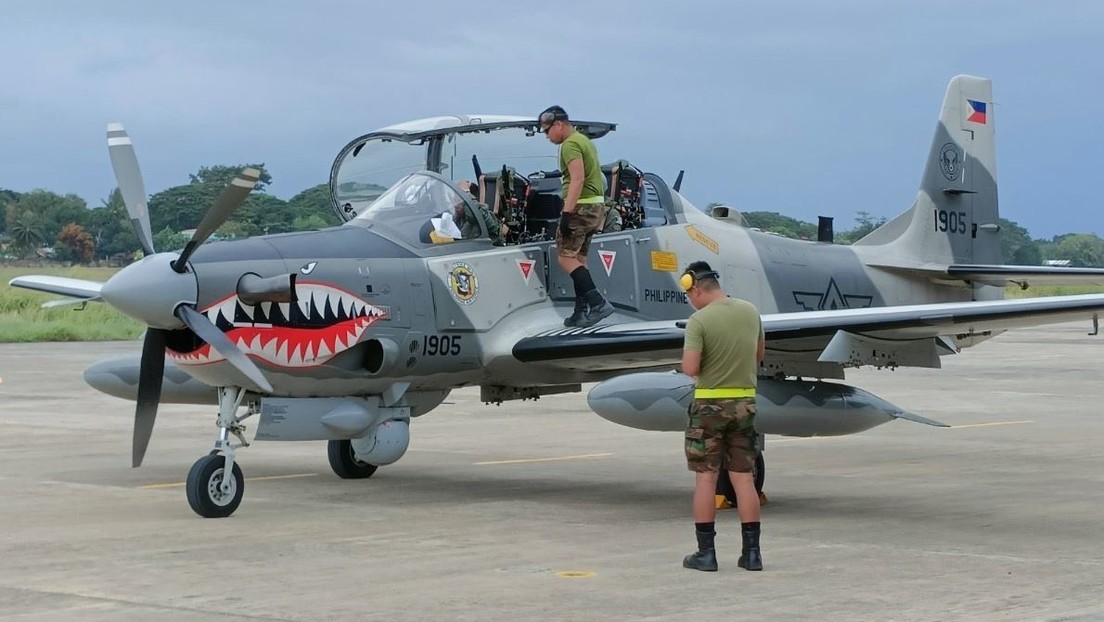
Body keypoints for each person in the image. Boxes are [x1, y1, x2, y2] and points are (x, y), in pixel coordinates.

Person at [679, 261, 766, 572]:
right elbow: (758, 356)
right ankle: (752, 554)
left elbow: (690, 368)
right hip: (745, 403)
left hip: (708, 409)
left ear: (697, 288)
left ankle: (706, 554)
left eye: (690, 294)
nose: (690, 300)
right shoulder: (750, 312)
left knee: (706, 478)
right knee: (743, 478)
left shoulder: (698, 321)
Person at [539, 105, 614, 327]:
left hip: (581, 207)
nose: (547, 136)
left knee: (565, 258)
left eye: (547, 130)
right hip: (596, 207)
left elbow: (577, 179)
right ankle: (580, 312)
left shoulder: (569, 145)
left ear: (559, 124)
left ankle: (598, 302)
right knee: (579, 259)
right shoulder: (584, 141)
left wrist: (566, 213)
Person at [455, 180, 508, 244]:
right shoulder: (458, 219)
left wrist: (466, 193)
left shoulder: (484, 215)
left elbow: (474, 214)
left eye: (459, 200)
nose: (455, 204)